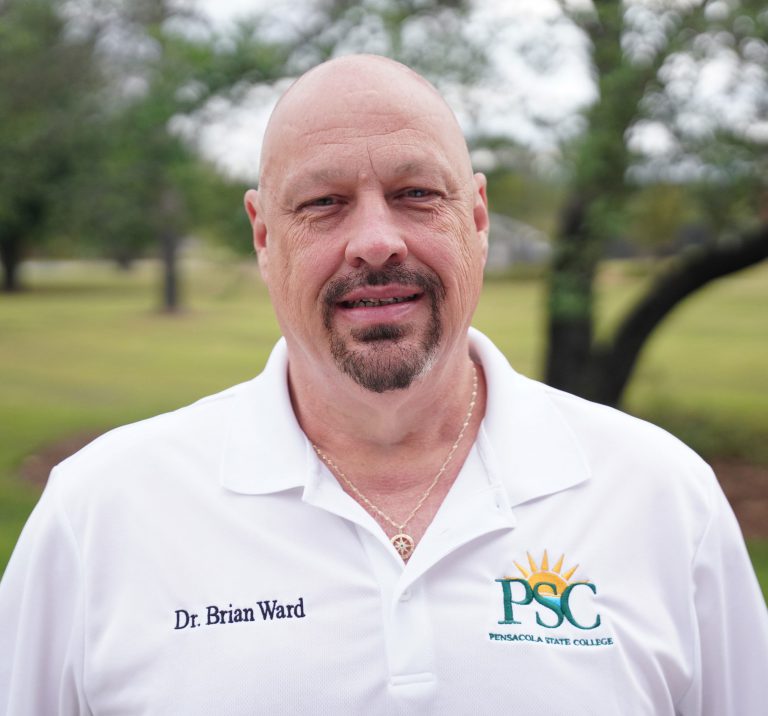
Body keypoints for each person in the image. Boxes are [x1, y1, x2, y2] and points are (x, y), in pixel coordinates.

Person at [1, 54, 766, 716]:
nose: (374, 242)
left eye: (416, 194)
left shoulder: (662, 497)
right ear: (264, 235)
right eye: (323, 203)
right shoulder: (99, 513)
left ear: (477, 214)